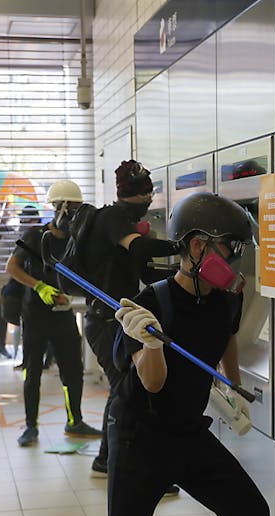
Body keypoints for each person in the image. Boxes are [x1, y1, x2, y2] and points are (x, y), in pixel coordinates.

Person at [91, 192, 268, 516]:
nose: (235, 258)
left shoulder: (228, 297)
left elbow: (227, 335)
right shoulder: (149, 305)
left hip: (187, 433)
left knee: (250, 515)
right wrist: (151, 343)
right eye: (230, 247)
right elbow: (153, 383)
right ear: (198, 246)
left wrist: (232, 386)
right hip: (139, 437)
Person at [82, 160, 179, 477]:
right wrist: (181, 246)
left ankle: (114, 458)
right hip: (105, 321)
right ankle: (107, 460)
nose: (149, 200)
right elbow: (138, 250)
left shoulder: (125, 220)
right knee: (123, 388)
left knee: (127, 388)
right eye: (145, 194)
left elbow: (145, 272)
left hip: (118, 318)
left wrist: (182, 273)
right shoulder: (113, 218)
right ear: (131, 193)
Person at [5, 179, 102, 446]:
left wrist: (73, 293)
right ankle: (30, 426)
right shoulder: (34, 236)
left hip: (63, 314)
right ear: (57, 208)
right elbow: (12, 267)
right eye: (69, 208)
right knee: (32, 371)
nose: (73, 215)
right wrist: (38, 286)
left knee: (72, 370)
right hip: (35, 316)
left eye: (78, 209)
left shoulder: (76, 240)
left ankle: (75, 421)